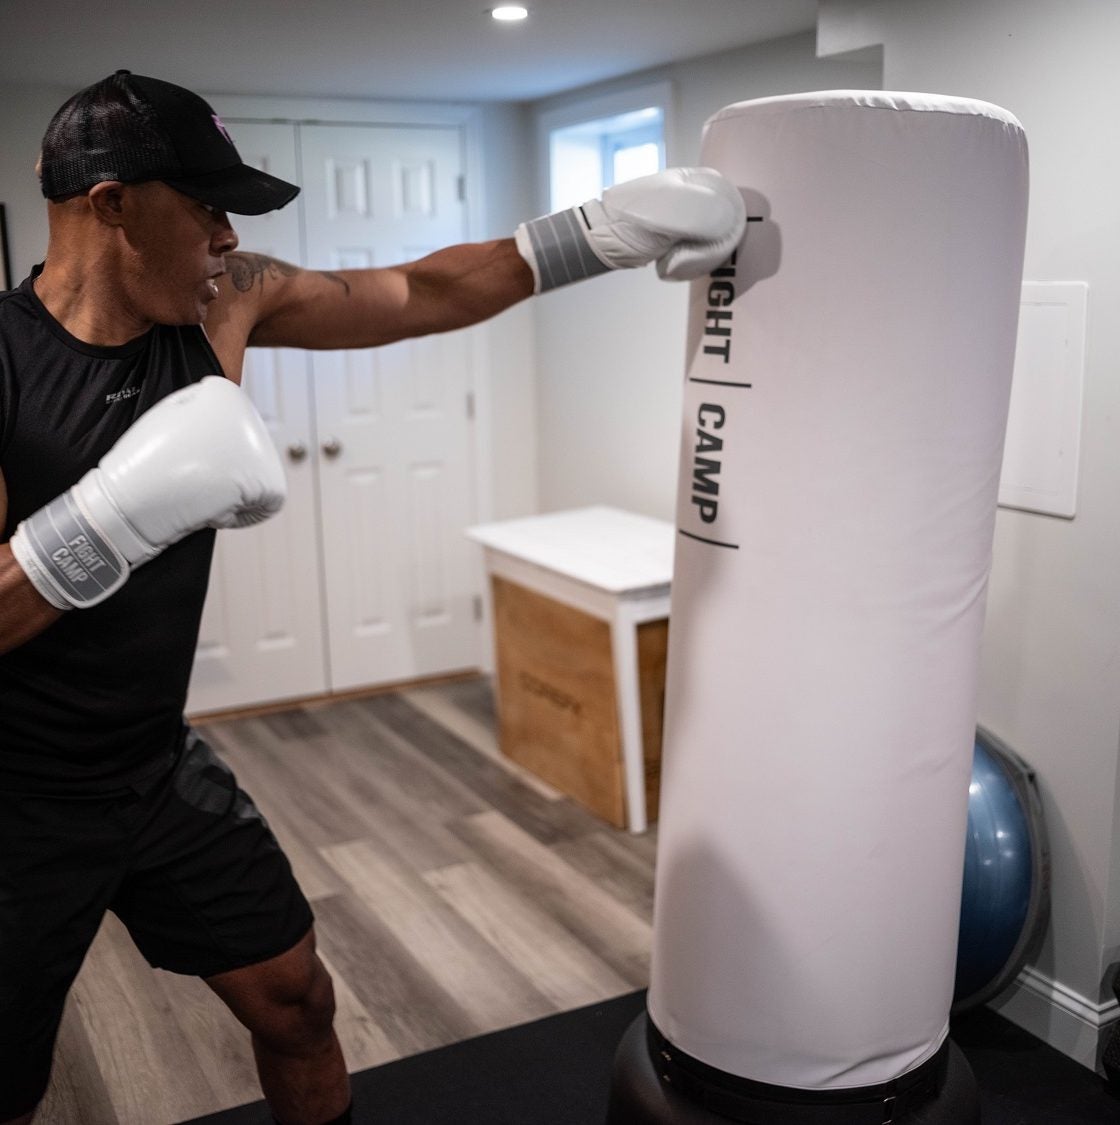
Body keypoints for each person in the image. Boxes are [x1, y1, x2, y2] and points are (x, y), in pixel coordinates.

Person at [0, 70, 745, 1125]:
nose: (226, 236)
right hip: (19, 798)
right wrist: (114, 515)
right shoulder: (6, 365)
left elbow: (416, 291)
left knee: (298, 1001)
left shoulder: (230, 296)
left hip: (153, 763)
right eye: (205, 206)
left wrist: (597, 233)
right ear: (111, 202)